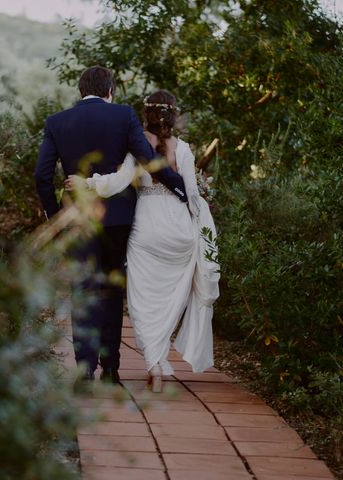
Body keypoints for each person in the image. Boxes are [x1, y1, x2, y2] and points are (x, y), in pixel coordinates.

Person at [34, 67, 188, 386]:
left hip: (76, 216)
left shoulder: (56, 122)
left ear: (81, 91)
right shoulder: (123, 115)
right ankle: (111, 369)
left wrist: (54, 215)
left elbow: (42, 175)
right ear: (111, 90)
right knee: (111, 290)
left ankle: (84, 371)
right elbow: (149, 160)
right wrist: (181, 188)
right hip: (117, 216)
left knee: (83, 290)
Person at [66, 90, 220, 392]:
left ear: (145, 115)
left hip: (147, 229)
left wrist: (86, 182)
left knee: (145, 302)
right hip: (180, 232)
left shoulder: (136, 148)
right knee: (170, 300)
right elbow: (191, 194)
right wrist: (201, 229)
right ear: (173, 115)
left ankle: (154, 365)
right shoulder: (184, 150)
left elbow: (116, 183)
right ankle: (158, 360)